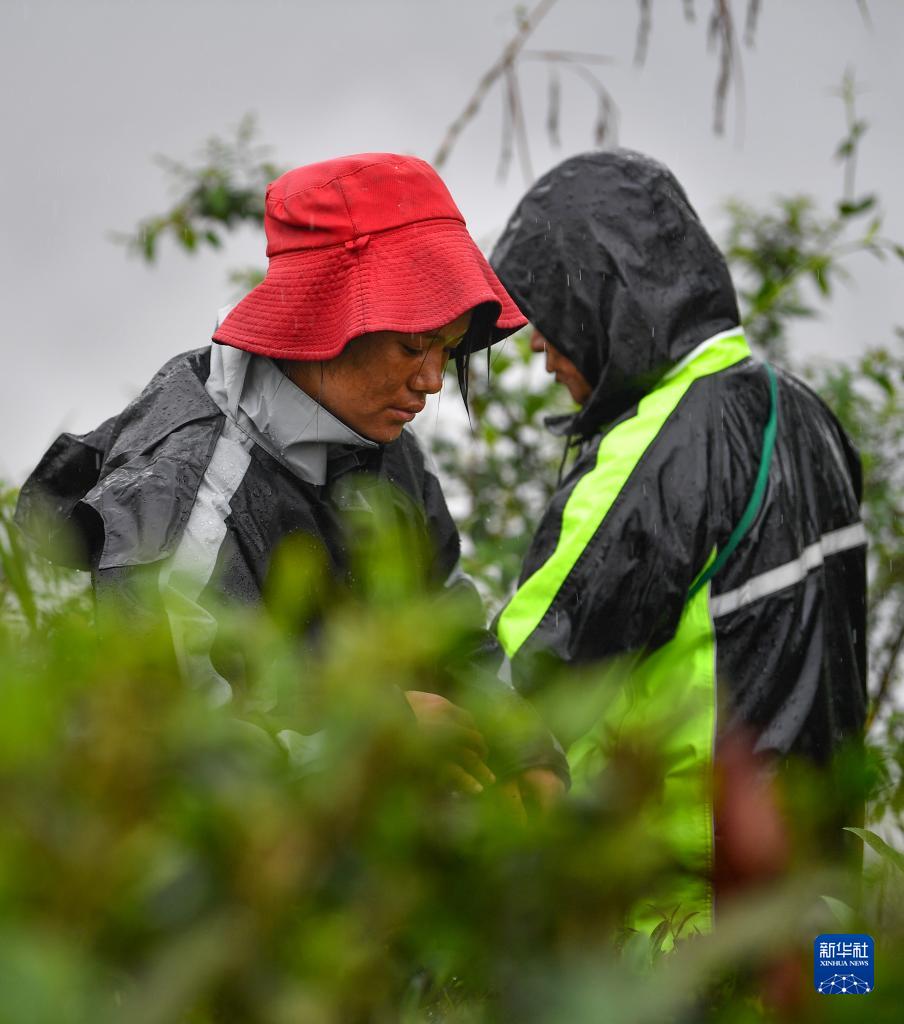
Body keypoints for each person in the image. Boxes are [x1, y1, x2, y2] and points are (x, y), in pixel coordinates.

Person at [16, 152, 568, 800]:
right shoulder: (182, 496)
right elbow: (179, 746)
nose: (431, 381)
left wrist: (530, 760)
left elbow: (449, 624)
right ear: (322, 317)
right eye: (413, 346)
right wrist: (379, 737)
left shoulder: (384, 448)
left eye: (447, 349)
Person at [489, 149, 868, 937]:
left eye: (551, 314)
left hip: (687, 930)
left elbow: (521, 684)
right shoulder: (807, 415)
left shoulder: (661, 445)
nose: (537, 348)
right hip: (827, 926)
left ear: (602, 301)